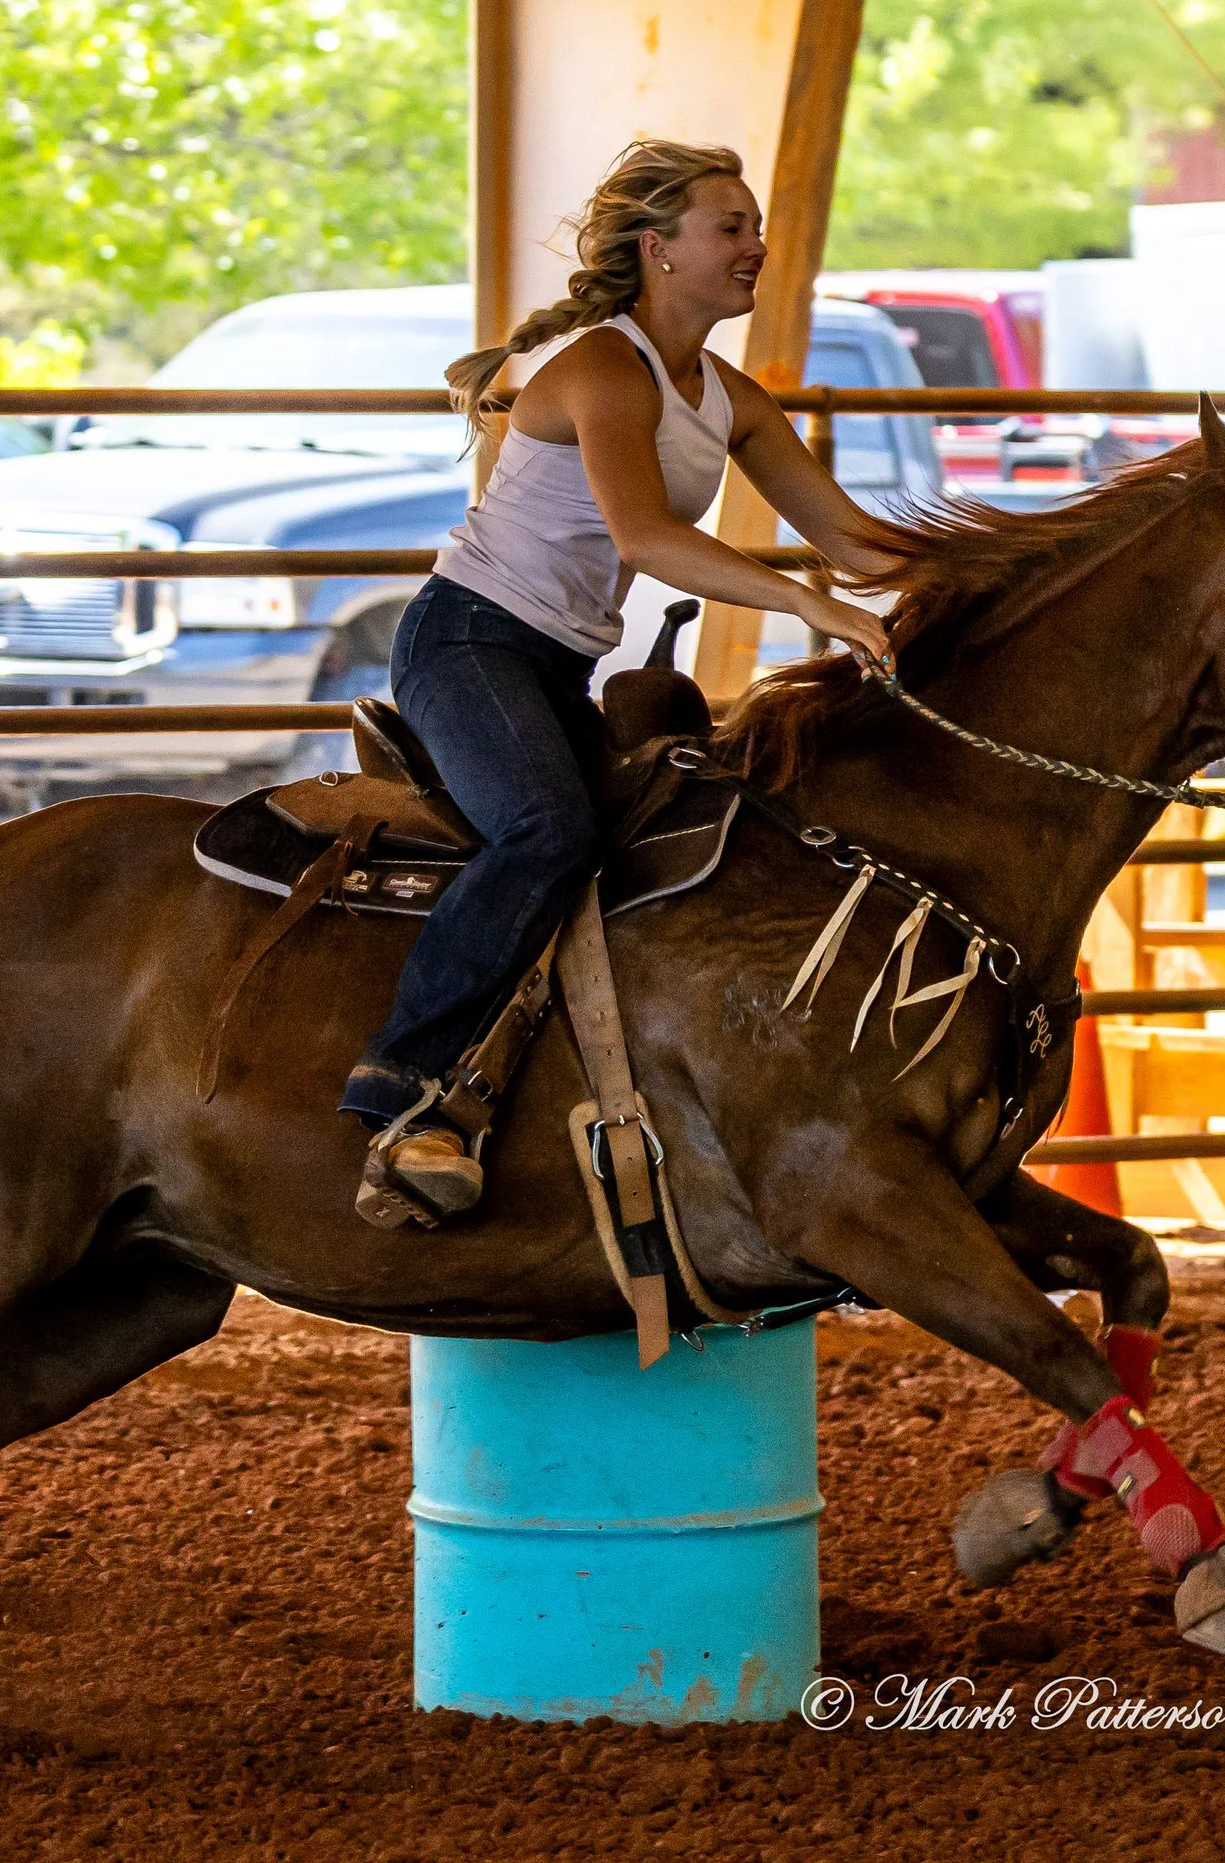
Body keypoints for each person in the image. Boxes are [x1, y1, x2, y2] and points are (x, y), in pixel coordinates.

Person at [338, 138, 897, 1224]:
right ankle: (399, 1082)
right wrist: (807, 603)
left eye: (753, 227)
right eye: (729, 227)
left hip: (548, 660)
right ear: (660, 249)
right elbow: (642, 538)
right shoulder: (602, 367)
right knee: (547, 832)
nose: (754, 247)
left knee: (673, 840)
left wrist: (1011, 569)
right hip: (467, 641)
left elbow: (853, 538)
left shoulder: (726, 392)